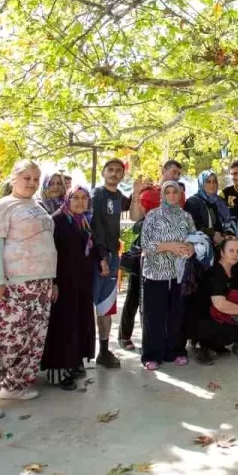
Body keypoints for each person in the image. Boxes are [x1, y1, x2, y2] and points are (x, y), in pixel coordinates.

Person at [0, 160, 59, 420]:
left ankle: (15, 385)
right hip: (10, 285)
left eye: (35, 178)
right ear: (13, 179)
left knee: (30, 340)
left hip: (39, 284)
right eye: (26, 178)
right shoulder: (1, 207)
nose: (31, 183)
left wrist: (51, 280)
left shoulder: (37, 207)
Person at [121, 161, 182, 351]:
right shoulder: (149, 193)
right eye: (173, 172)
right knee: (135, 295)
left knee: (159, 299)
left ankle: (158, 338)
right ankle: (125, 335)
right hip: (146, 253)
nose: (176, 176)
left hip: (169, 257)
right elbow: (136, 218)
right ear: (163, 171)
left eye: (179, 173)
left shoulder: (180, 194)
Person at [40, 184, 96, 390]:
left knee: (78, 322)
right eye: (75, 198)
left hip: (82, 283)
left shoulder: (84, 221)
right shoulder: (57, 220)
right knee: (62, 325)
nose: (80, 202)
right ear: (68, 199)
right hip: (62, 283)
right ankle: (58, 373)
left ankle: (73, 364)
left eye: (84, 198)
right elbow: (48, 253)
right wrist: (53, 282)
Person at [139, 181, 200, 370]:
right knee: (154, 315)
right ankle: (152, 354)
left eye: (176, 192)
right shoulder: (153, 216)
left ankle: (176, 350)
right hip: (155, 273)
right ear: (163, 195)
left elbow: (195, 239)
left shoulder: (186, 216)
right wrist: (169, 246)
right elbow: (145, 245)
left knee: (176, 314)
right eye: (169, 192)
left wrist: (191, 248)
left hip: (178, 273)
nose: (172, 196)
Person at [91, 158, 132, 369]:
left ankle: (104, 351)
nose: (114, 174)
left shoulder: (118, 196)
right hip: (99, 258)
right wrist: (101, 257)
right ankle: (80, 353)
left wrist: (142, 190)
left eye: (118, 171)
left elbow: (131, 205)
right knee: (89, 305)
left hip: (113, 257)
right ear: (103, 172)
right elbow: (95, 226)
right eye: (111, 170)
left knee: (106, 307)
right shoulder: (97, 195)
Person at [197, 236, 238, 361]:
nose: (235, 254)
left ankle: (218, 344)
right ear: (222, 253)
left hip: (220, 315)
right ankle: (206, 347)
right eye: (231, 250)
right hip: (205, 318)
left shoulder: (234, 270)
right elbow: (219, 304)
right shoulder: (215, 273)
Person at [186, 170, 233, 242]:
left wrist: (225, 234)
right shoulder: (193, 202)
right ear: (201, 183)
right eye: (208, 182)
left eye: (214, 181)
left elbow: (220, 224)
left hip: (220, 244)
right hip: (201, 247)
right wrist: (212, 233)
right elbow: (191, 226)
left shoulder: (218, 201)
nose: (212, 185)